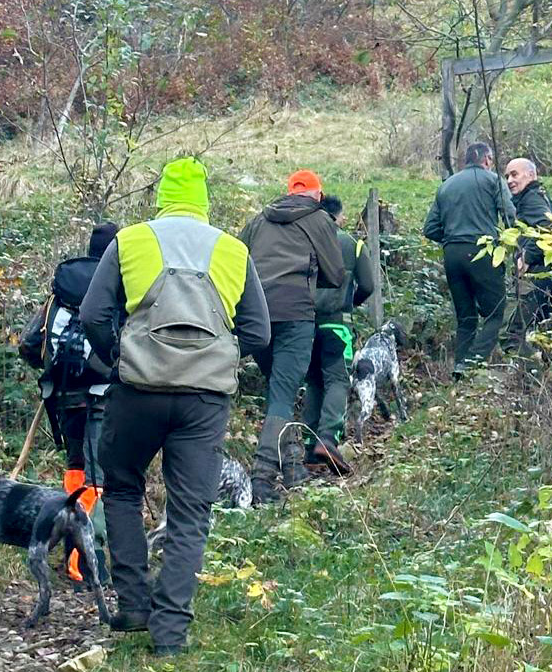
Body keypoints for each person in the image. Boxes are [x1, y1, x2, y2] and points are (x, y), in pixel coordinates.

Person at [80, 157, 270, 656]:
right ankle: (169, 638)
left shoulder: (131, 240)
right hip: (204, 401)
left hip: (138, 391)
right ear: (204, 201)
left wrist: (119, 358)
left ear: (162, 196)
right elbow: (259, 331)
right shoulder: (233, 249)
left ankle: (135, 604)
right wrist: (217, 358)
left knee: (121, 487)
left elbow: (93, 314)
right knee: (190, 512)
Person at [239, 170, 344, 504]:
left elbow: (237, 263)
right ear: (317, 195)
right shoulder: (319, 219)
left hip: (255, 315)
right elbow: (337, 274)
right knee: (283, 395)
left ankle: (295, 467)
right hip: (295, 315)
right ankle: (262, 478)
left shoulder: (259, 220)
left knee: (278, 393)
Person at [28, 222, 118, 586]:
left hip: (63, 395)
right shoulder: (116, 283)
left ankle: (67, 543)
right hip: (101, 393)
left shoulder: (62, 287)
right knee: (98, 477)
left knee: (76, 468)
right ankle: (84, 559)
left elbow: (29, 342)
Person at [422, 142, 516, 375]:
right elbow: (510, 217)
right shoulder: (493, 180)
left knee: (466, 317)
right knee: (496, 312)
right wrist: (513, 244)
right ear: (487, 160)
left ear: (466, 161)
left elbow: (430, 228)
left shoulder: (446, 186)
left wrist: (453, 238)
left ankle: (459, 369)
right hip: (482, 251)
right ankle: (473, 363)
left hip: (452, 254)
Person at [302, 195, 375, 475]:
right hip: (336, 324)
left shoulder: (303, 240)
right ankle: (328, 439)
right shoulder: (352, 245)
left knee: (314, 381)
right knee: (338, 380)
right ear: (339, 216)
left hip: (305, 326)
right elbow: (367, 285)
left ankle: (309, 446)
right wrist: (350, 303)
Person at [502, 158, 552, 353]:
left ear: (530, 175)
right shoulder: (539, 196)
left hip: (540, 279)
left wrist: (526, 257)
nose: (510, 180)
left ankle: (526, 378)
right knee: (546, 335)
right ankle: (549, 379)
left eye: (514, 174)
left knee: (511, 335)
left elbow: (551, 229)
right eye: (507, 177)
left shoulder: (531, 199)